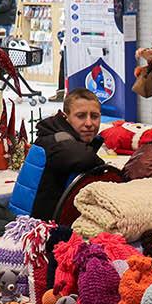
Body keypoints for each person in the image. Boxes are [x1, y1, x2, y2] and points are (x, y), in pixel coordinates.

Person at [31, 88, 103, 219]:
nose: (89, 123)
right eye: (81, 116)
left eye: (94, 116)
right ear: (65, 117)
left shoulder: (69, 137)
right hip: (35, 225)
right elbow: (84, 158)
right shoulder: (58, 141)